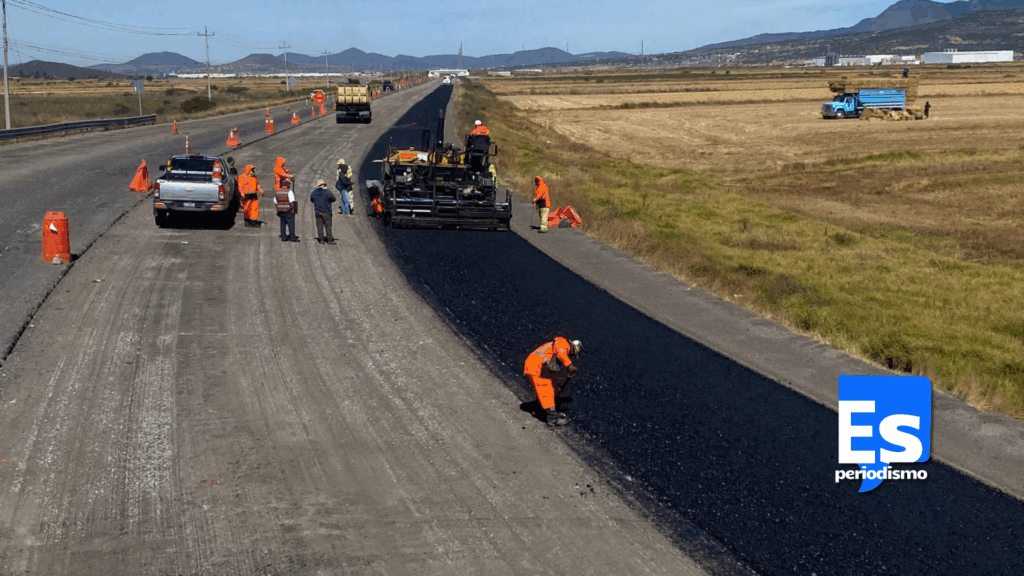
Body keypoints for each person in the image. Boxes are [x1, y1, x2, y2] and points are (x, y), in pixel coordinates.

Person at [523, 336, 583, 427]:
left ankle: (539, 407)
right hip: (536, 367)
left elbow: (554, 374)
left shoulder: (554, 352)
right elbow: (561, 353)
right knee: (546, 391)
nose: (572, 356)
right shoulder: (563, 344)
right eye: (573, 354)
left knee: (553, 387)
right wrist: (569, 365)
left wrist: (558, 387)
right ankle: (552, 419)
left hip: (537, 366)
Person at [309, 178, 336, 244]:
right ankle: (329, 240)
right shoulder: (328, 192)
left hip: (318, 211)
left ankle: (321, 239)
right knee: (328, 226)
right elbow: (334, 199)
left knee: (319, 226)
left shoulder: (314, 192)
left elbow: (311, 200)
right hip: (327, 212)